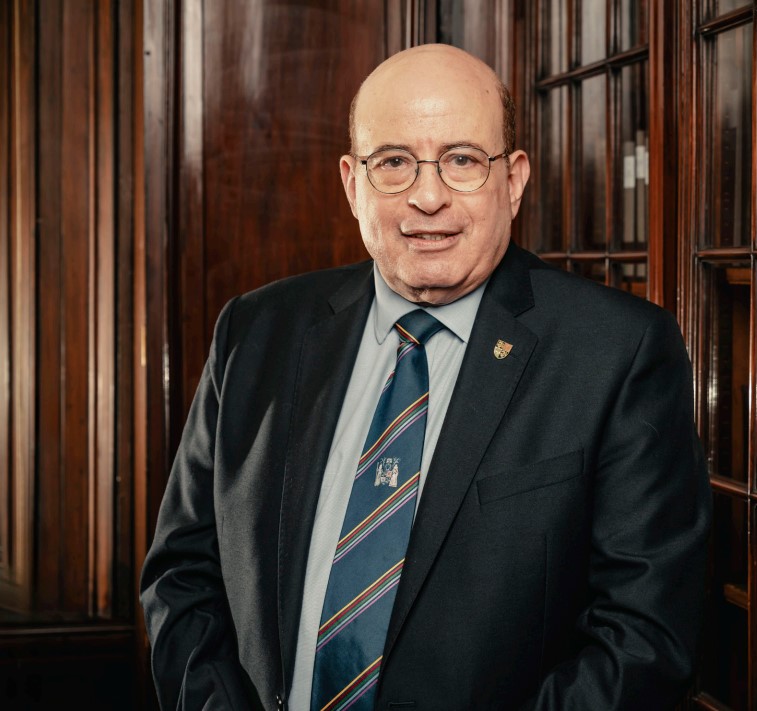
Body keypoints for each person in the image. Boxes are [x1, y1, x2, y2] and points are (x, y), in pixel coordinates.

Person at [141, 44, 711, 711]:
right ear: (352, 184)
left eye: (463, 160)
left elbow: (644, 638)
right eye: (393, 162)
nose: (428, 196)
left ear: (513, 180)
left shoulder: (616, 351)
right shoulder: (256, 331)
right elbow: (183, 574)